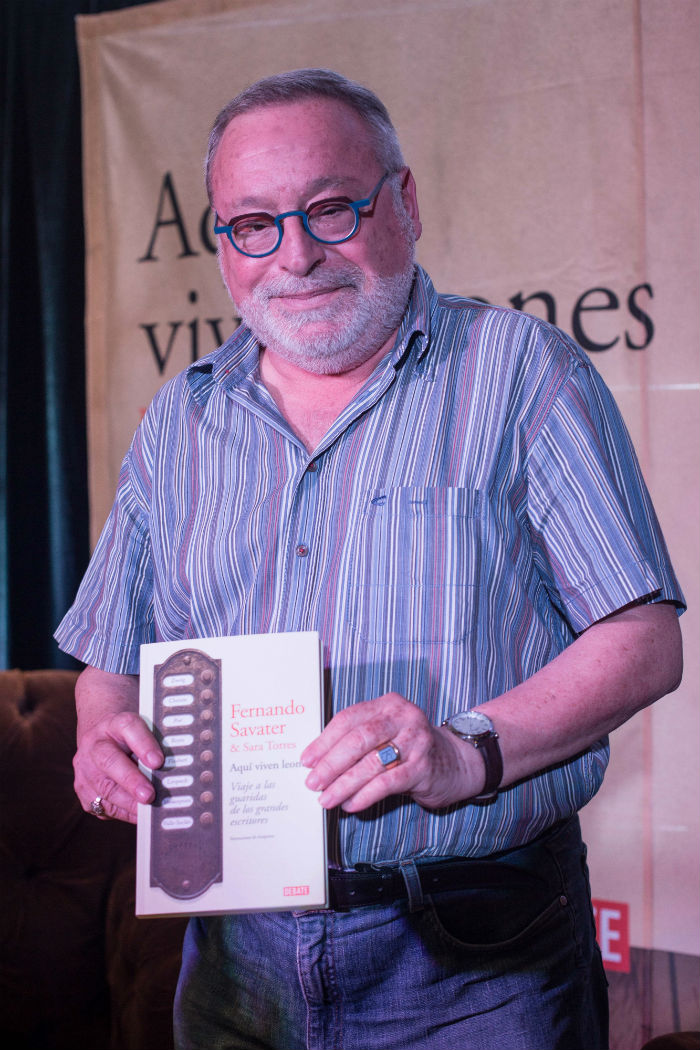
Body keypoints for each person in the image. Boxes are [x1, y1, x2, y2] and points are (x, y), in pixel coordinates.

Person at [56, 68, 685, 1050]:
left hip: (476, 957)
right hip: (233, 957)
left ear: (405, 203)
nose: (295, 254)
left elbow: (643, 641)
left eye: (330, 208)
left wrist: (463, 751)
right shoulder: (181, 419)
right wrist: (101, 730)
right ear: (222, 245)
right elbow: (112, 657)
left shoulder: (520, 372)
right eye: (253, 224)